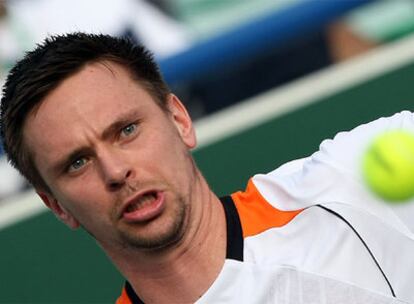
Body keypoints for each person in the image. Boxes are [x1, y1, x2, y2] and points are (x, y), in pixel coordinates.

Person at [0, 33, 413, 304]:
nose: (115, 170)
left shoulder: (346, 184)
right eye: (77, 162)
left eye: (126, 130)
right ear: (56, 204)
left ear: (179, 119)